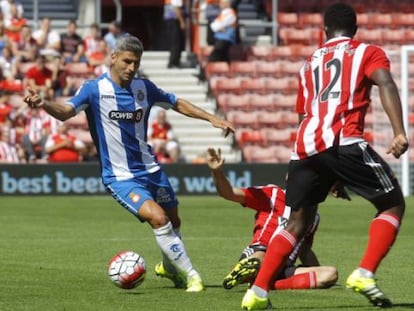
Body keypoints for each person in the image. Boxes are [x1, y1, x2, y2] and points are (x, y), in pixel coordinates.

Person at [23, 35, 235, 292]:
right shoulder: (93, 89)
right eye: (127, 61)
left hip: (151, 169)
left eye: (136, 62)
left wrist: (212, 118)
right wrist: (44, 103)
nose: (132, 68)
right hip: (120, 176)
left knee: (174, 221)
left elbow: (176, 102)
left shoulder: (144, 88)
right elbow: (66, 112)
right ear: (113, 57)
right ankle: (191, 275)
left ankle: (169, 268)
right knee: (158, 218)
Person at [241, 3, 409, 310]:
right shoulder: (367, 52)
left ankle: (257, 292)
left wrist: (328, 173)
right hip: (343, 140)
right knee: (393, 204)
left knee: (296, 223)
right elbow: (385, 82)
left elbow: (304, 113)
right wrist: (399, 131)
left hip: (305, 146)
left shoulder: (309, 63)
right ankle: (365, 273)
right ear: (355, 29)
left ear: (324, 31)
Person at [206, 147, 338, 291]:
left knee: (330, 274)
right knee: (259, 259)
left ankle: (268, 284)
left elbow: (304, 251)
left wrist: (316, 270)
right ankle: (252, 271)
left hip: (284, 267)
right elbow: (229, 193)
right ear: (289, 178)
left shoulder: (314, 217)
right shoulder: (273, 194)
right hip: (260, 252)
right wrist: (216, 171)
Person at [164, 0, 186, 69]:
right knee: (176, 42)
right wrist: (182, 21)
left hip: (170, 21)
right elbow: (176, 8)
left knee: (174, 41)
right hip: (175, 21)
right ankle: (174, 62)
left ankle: (174, 61)